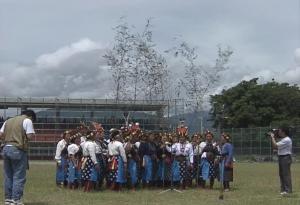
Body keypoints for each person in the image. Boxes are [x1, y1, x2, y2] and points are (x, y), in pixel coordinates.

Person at [0, 110, 36, 205]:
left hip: (6, 148)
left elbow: (1, 134)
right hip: (18, 149)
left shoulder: (8, 121)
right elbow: (30, 136)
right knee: (18, 176)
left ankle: (8, 199)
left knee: (8, 175)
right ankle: (16, 200)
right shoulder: (27, 120)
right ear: (31, 116)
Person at [269, 126, 293, 195]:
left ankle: (288, 190)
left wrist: (272, 137)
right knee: (282, 174)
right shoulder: (283, 139)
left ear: (283, 132)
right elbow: (276, 146)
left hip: (285, 157)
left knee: (286, 174)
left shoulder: (287, 139)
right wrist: (274, 136)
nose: (278, 132)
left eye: (279, 131)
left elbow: (275, 146)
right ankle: (283, 190)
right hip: (282, 157)